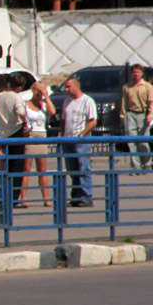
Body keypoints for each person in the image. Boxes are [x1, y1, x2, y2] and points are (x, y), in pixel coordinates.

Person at [61, 76, 98, 207]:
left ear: (76, 86)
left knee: (83, 167)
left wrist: (82, 134)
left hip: (81, 140)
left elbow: (93, 121)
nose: (66, 89)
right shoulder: (67, 101)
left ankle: (86, 196)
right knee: (72, 169)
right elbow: (63, 120)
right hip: (67, 139)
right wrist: (62, 135)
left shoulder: (87, 101)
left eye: (68, 86)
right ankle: (76, 196)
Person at [0, 73, 29, 207]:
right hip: (16, 131)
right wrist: (25, 121)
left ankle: (4, 195)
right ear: (19, 87)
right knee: (17, 167)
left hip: (3, 133)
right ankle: (14, 198)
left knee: (6, 167)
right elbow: (20, 112)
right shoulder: (15, 96)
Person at [21, 82, 56, 207]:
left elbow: (52, 112)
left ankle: (46, 198)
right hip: (31, 135)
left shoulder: (44, 105)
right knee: (26, 169)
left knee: (42, 170)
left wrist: (46, 96)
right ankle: (23, 197)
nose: (40, 94)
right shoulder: (26, 105)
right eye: (38, 91)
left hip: (42, 135)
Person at [118, 63, 153, 170]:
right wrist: (122, 116)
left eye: (138, 72)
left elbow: (151, 101)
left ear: (142, 73)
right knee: (131, 141)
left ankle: (147, 163)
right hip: (130, 114)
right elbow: (124, 102)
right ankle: (136, 166)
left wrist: (151, 114)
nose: (136, 74)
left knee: (143, 141)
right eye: (134, 72)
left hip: (143, 114)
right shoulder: (127, 87)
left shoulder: (147, 86)